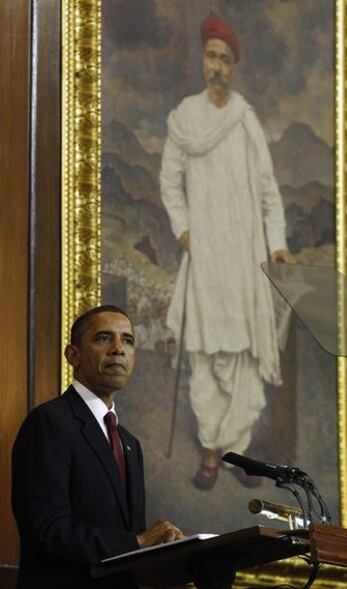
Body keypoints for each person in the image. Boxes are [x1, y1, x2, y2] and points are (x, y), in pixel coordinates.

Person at [160, 13, 295, 491]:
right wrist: (183, 232)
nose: (215, 65)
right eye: (210, 56)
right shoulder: (185, 117)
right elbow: (169, 182)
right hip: (205, 256)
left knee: (241, 357)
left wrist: (276, 244)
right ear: (203, 62)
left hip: (242, 257)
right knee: (205, 356)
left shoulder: (244, 120)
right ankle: (211, 451)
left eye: (224, 58)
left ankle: (236, 450)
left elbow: (267, 190)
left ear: (233, 67)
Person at [12, 305, 183, 589]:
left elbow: (132, 546)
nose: (118, 349)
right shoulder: (49, 422)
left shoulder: (129, 443)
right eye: (104, 338)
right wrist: (137, 542)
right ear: (73, 355)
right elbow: (46, 531)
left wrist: (164, 545)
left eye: (128, 340)